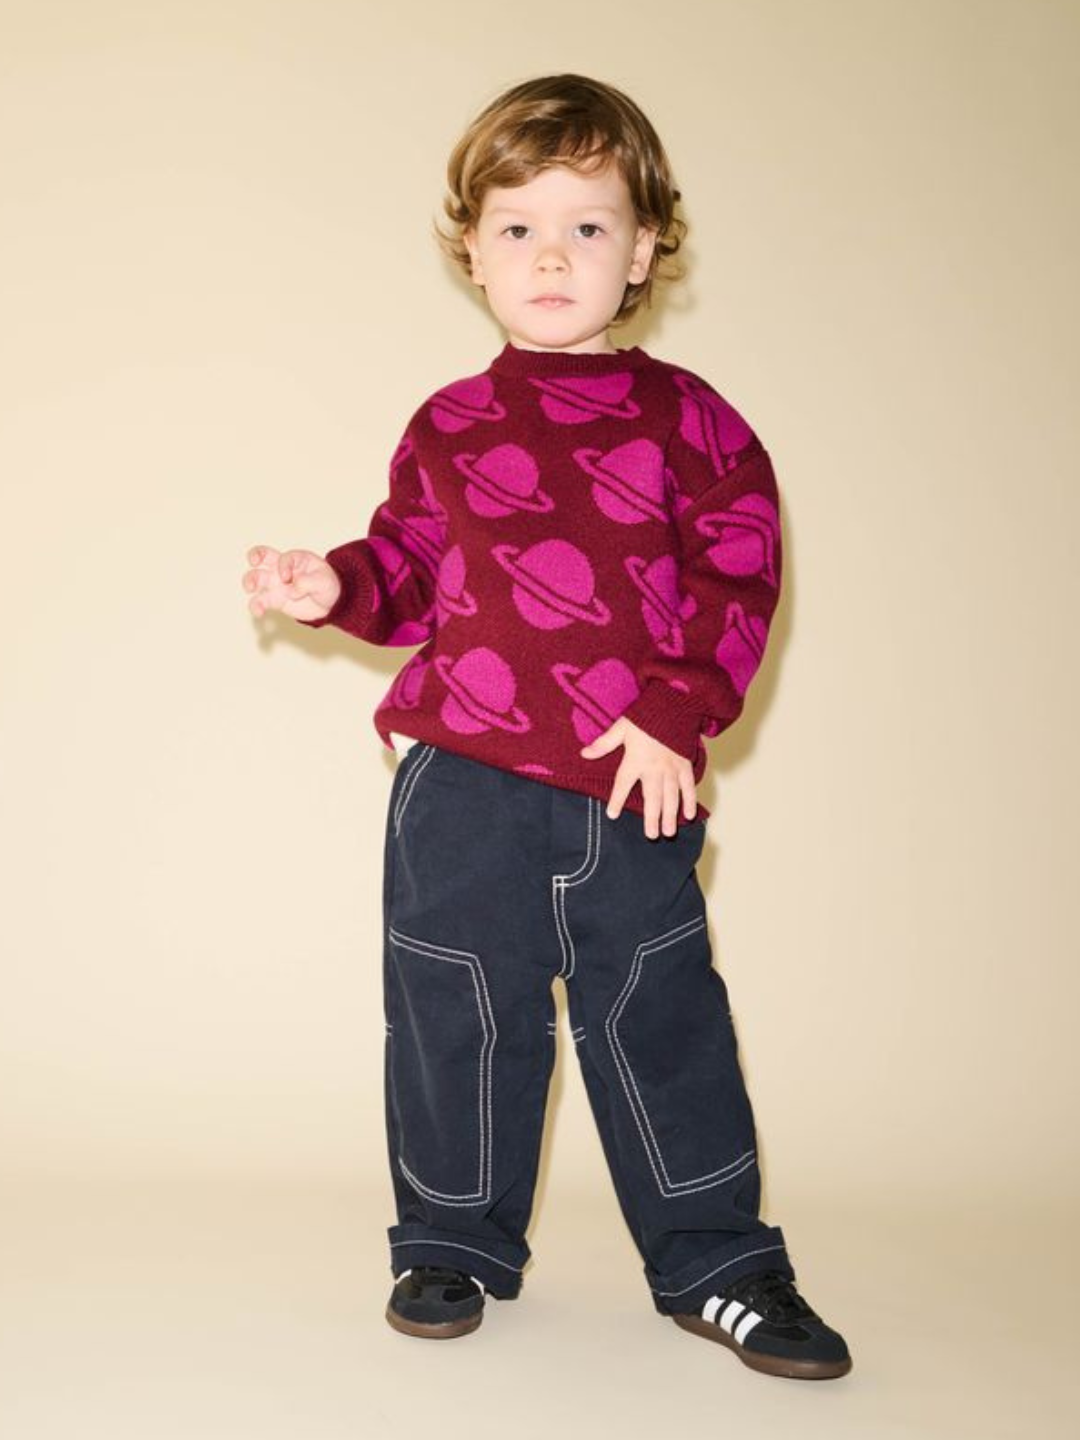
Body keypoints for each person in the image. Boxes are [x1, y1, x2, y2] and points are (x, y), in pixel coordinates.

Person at [241, 73, 852, 1381]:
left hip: (633, 787)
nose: (551, 253)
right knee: (455, 1009)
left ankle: (722, 1264)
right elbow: (407, 569)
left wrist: (678, 715)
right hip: (461, 782)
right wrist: (333, 584)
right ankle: (450, 1240)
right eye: (518, 225)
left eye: (588, 224)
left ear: (642, 250)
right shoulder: (449, 427)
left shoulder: (694, 425)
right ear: (471, 248)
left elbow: (739, 581)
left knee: (661, 1015)